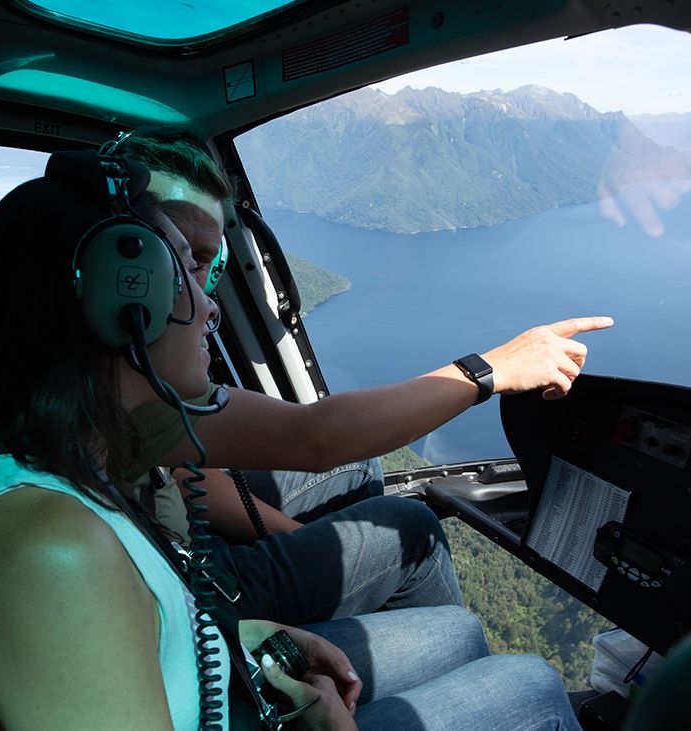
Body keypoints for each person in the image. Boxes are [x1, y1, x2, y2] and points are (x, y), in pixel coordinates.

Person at [0, 149, 582, 730]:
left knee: (459, 635)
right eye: (185, 277)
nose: (210, 307)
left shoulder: (76, 445)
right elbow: (318, 436)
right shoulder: (46, 550)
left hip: (220, 678)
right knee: (530, 685)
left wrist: (246, 635)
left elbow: (151, 631)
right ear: (124, 304)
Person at [112, 127, 613, 627]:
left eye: (209, 263)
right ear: (119, 268)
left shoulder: (126, 381)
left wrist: (295, 539)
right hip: (188, 591)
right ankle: (439, 654)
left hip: (170, 532)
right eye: (187, 260)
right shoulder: (115, 393)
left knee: (359, 469)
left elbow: (192, 474)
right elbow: (316, 436)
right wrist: (492, 370)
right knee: (411, 532)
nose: (211, 304)